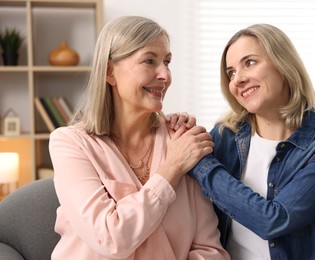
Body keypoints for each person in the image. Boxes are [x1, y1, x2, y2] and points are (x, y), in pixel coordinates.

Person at [49, 16, 230, 260]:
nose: (165, 75)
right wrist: (172, 168)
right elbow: (111, 239)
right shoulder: (70, 143)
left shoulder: (181, 140)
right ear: (110, 71)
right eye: (149, 61)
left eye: (167, 62)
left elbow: (210, 250)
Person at [189, 24, 315, 260]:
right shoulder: (224, 136)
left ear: (282, 64)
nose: (238, 80)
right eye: (231, 73)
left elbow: (274, 221)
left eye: (249, 63)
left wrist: (200, 163)